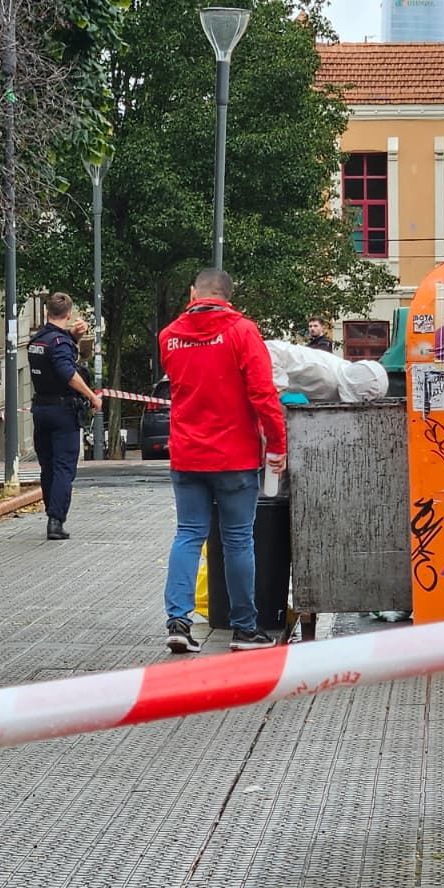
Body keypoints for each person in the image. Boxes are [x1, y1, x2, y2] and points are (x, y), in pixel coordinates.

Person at [158, 267, 286, 653]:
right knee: (236, 540)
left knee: (188, 534)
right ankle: (245, 629)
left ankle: (179, 621)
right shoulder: (242, 332)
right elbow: (263, 394)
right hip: (234, 457)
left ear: (193, 293)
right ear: (229, 296)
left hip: (187, 454)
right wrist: (277, 446)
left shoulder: (169, 337)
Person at [27, 293, 102, 540]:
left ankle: (51, 511)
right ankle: (55, 520)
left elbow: (51, 353)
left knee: (47, 465)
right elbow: (67, 372)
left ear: (47, 311)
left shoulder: (37, 339)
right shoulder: (59, 343)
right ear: (68, 314)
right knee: (63, 467)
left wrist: (73, 337)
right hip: (62, 411)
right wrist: (92, 396)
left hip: (40, 409)